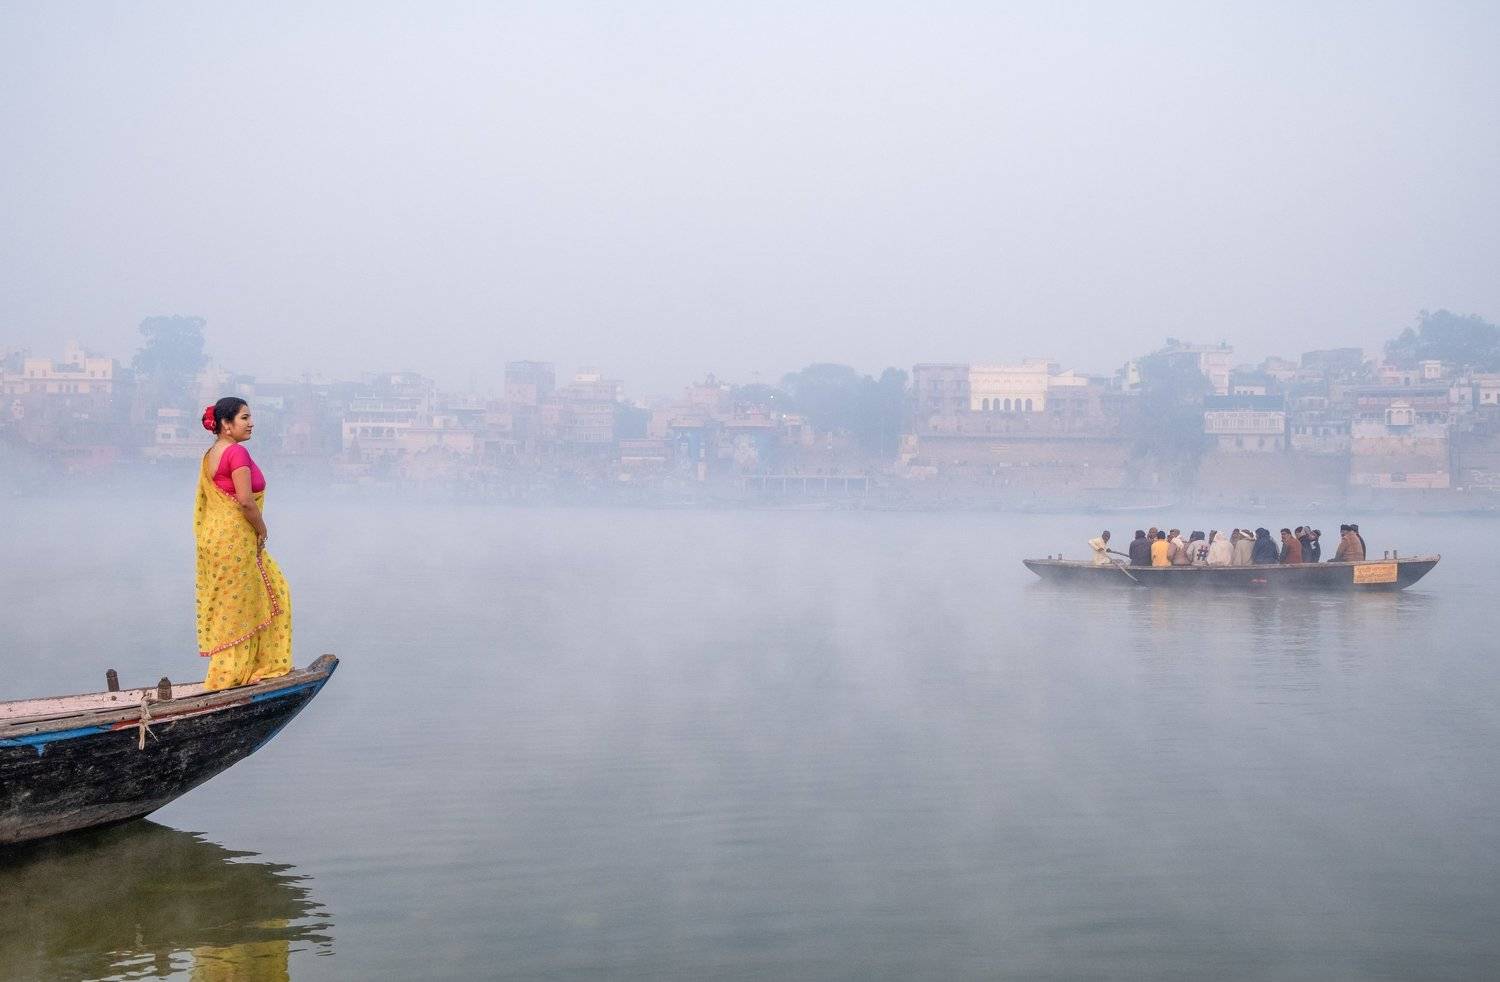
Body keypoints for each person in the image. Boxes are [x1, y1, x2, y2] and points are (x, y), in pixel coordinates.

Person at [196, 398, 293, 692]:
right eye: (244, 417)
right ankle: (237, 672)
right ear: (226, 425)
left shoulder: (212, 454)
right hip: (236, 540)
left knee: (242, 601)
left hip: (217, 539)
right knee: (252, 601)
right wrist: (262, 531)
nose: (251, 423)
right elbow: (246, 501)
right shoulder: (236, 452)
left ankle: (243, 668)